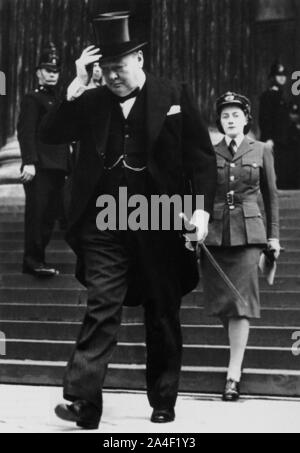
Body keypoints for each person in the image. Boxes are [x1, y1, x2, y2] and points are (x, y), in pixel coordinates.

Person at [40, 12, 217, 429]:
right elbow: (49, 134)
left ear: (139, 59)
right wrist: (76, 86)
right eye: (105, 69)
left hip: (158, 221)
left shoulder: (174, 94)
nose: (112, 76)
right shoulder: (92, 99)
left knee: (161, 312)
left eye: (118, 67)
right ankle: (84, 401)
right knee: (102, 304)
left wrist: (202, 210)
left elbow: (202, 160)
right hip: (103, 222)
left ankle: (163, 397)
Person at [201, 92, 280, 401]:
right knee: (223, 305)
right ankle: (237, 354)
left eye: (236, 115)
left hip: (250, 233)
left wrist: (273, 238)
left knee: (239, 303)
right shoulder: (209, 151)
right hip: (216, 233)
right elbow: (201, 189)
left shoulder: (261, 150)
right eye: (225, 116)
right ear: (219, 122)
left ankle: (233, 374)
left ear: (247, 119)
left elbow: (271, 196)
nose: (230, 120)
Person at [17, 43, 71, 277]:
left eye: (55, 71)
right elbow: (25, 131)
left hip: (58, 167)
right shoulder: (32, 99)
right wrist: (29, 160)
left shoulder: (58, 100)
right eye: (47, 70)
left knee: (49, 217)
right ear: (38, 72)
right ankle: (32, 261)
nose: (52, 74)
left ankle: (39, 259)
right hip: (39, 167)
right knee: (37, 217)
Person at [259, 62, 291, 189]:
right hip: (273, 140)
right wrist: (268, 138)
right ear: (273, 77)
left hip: (283, 140)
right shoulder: (268, 95)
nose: (282, 77)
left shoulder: (284, 95)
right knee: (272, 178)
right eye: (278, 75)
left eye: (284, 75)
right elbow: (264, 119)